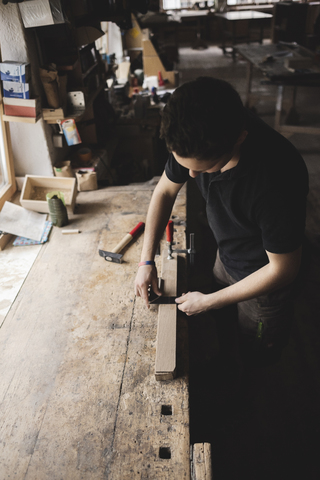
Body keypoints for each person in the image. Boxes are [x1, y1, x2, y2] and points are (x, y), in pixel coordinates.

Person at [134, 77, 309, 364]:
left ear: (239, 138)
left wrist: (208, 301)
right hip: (227, 256)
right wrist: (146, 261)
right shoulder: (194, 131)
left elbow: (284, 269)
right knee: (225, 326)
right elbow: (165, 189)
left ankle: (252, 386)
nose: (190, 176)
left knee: (256, 351)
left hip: (264, 282)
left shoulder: (277, 179)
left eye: (203, 170)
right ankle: (228, 355)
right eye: (185, 165)